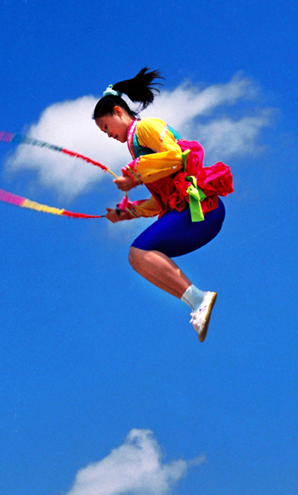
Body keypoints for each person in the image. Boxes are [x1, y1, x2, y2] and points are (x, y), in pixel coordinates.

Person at [94, 68, 233, 342]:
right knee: (139, 258)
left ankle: (200, 299)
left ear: (118, 112)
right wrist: (127, 212)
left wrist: (134, 174)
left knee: (139, 252)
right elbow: (161, 202)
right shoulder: (136, 146)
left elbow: (177, 156)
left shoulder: (146, 128)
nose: (107, 135)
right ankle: (197, 301)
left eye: (106, 127)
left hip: (202, 211)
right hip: (195, 215)